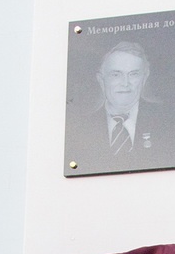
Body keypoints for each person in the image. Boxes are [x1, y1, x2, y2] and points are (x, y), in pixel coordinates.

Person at [66, 40, 169, 173]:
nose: (125, 83)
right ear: (101, 79)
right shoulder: (81, 128)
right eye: (116, 75)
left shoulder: (167, 122)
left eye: (133, 74)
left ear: (144, 77)